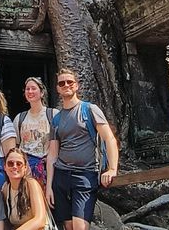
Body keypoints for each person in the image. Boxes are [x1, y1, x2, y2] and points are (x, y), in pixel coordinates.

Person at [45, 68, 118, 230]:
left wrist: (112, 169)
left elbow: (109, 139)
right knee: (68, 226)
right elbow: (52, 155)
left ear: (77, 85)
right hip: (61, 175)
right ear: (57, 89)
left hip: (85, 174)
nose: (66, 85)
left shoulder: (90, 110)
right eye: (62, 83)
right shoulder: (56, 119)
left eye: (70, 82)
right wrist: (49, 186)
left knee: (80, 226)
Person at [12, 78, 57, 187]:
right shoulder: (20, 118)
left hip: (46, 168)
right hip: (25, 168)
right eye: (27, 89)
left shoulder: (53, 115)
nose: (30, 91)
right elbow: (16, 145)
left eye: (33, 88)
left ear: (42, 93)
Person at [2, 149, 49, 230]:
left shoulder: (31, 184)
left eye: (19, 164)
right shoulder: (5, 189)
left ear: (25, 168)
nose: (14, 167)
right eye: (10, 163)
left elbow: (40, 220)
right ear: (5, 167)